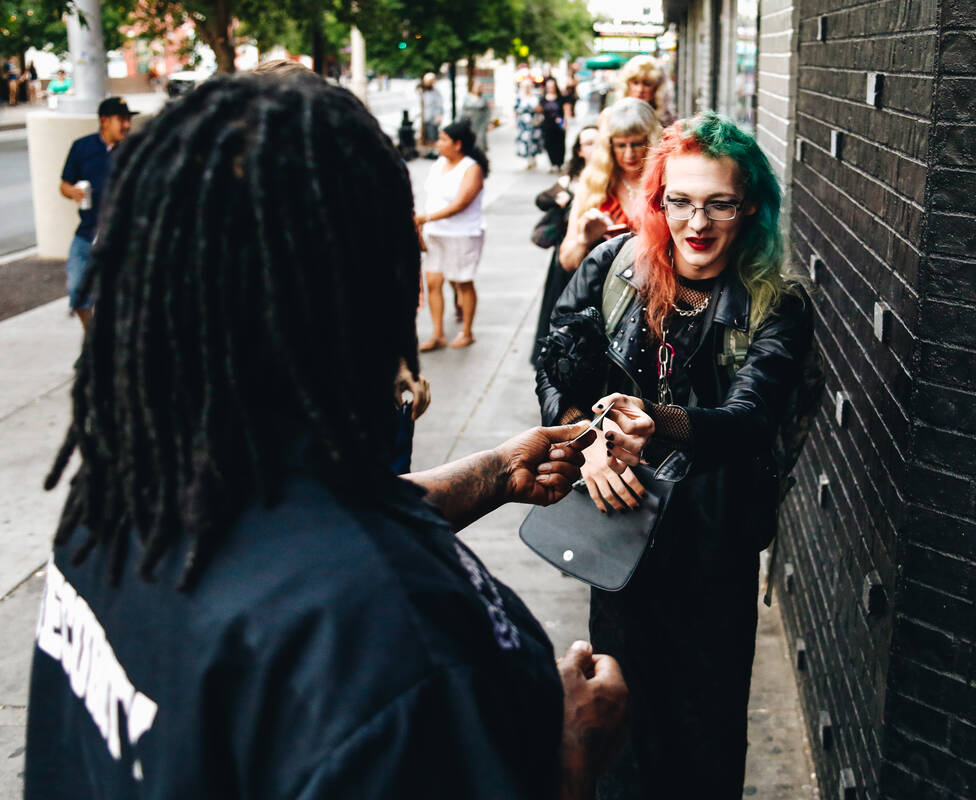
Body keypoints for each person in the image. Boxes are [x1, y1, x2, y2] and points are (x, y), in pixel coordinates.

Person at [26, 72, 641, 800]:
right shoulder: (396, 653)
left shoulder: (128, 495)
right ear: (379, 285)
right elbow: (330, 576)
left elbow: (295, 545)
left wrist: (493, 473)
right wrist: (572, 753)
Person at [535, 111, 816, 798]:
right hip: (617, 538)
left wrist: (654, 423)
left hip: (713, 550)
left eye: (720, 202)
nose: (699, 223)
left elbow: (749, 420)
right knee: (620, 727)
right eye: (682, 201)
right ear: (657, 200)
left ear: (748, 204)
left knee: (706, 737)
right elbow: (554, 370)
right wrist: (589, 444)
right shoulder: (612, 268)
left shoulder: (774, 303)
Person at [58, 96, 135, 329]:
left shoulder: (134, 151)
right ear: (104, 121)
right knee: (78, 290)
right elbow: (64, 184)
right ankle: (93, 340)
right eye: (121, 120)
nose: (127, 125)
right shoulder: (82, 147)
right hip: (87, 234)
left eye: (128, 120)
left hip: (122, 237)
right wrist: (73, 192)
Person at [557, 98, 660, 273]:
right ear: (609, 146)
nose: (629, 154)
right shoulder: (594, 184)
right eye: (621, 145)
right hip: (607, 292)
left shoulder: (666, 181)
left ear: (651, 141)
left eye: (636, 144)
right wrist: (585, 240)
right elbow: (566, 260)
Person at [414, 120, 487, 351]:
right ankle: (438, 334)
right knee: (434, 282)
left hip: (462, 233)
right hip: (436, 233)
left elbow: (461, 203)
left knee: (462, 281)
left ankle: (467, 331)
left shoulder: (471, 168)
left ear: (457, 144)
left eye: (443, 139)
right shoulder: (438, 164)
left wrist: (425, 218)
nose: (438, 143)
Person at [531, 124, 599, 363]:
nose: (595, 147)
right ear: (579, 151)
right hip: (569, 252)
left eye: (599, 141)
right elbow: (541, 199)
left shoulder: (609, 177)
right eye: (588, 143)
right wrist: (559, 197)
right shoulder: (571, 178)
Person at [616, 55, 672, 126]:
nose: (640, 90)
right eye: (635, 83)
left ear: (657, 87)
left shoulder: (668, 119)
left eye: (647, 84)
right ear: (627, 84)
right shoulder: (611, 115)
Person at [539, 76, 567, 172]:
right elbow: (539, 111)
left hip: (559, 125)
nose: (551, 88)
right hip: (547, 125)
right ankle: (552, 163)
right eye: (549, 87)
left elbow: (566, 111)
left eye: (552, 86)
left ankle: (559, 163)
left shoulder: (561, 98)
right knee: (549, 144)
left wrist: (565, 123)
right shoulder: (543, 99)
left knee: (560, 144)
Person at [515, 78, 543, 170]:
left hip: (534, 122)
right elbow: (515, 110)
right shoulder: (519, 98)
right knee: (525, 141)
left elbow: (539, 109)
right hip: (523, 124)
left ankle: (533, 159)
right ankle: (528, 160)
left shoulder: (535, 97)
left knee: (534, 141)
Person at [460, 80, 491, 153]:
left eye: (480, 87)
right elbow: (462, 111)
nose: (478, 88)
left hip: (480, 125)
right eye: (477, 86)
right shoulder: (467, 97)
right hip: (469, 124)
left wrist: (489, 123)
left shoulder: (483, 99)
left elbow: (487, 112)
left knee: (480, 144)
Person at [418, 71, 443, 149]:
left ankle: (433, 151)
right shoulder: (421, 91)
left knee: (433, 136)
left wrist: (439, 116)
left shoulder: (436, 93)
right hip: (423, 118)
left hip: (432, 118)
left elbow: (439, 105)